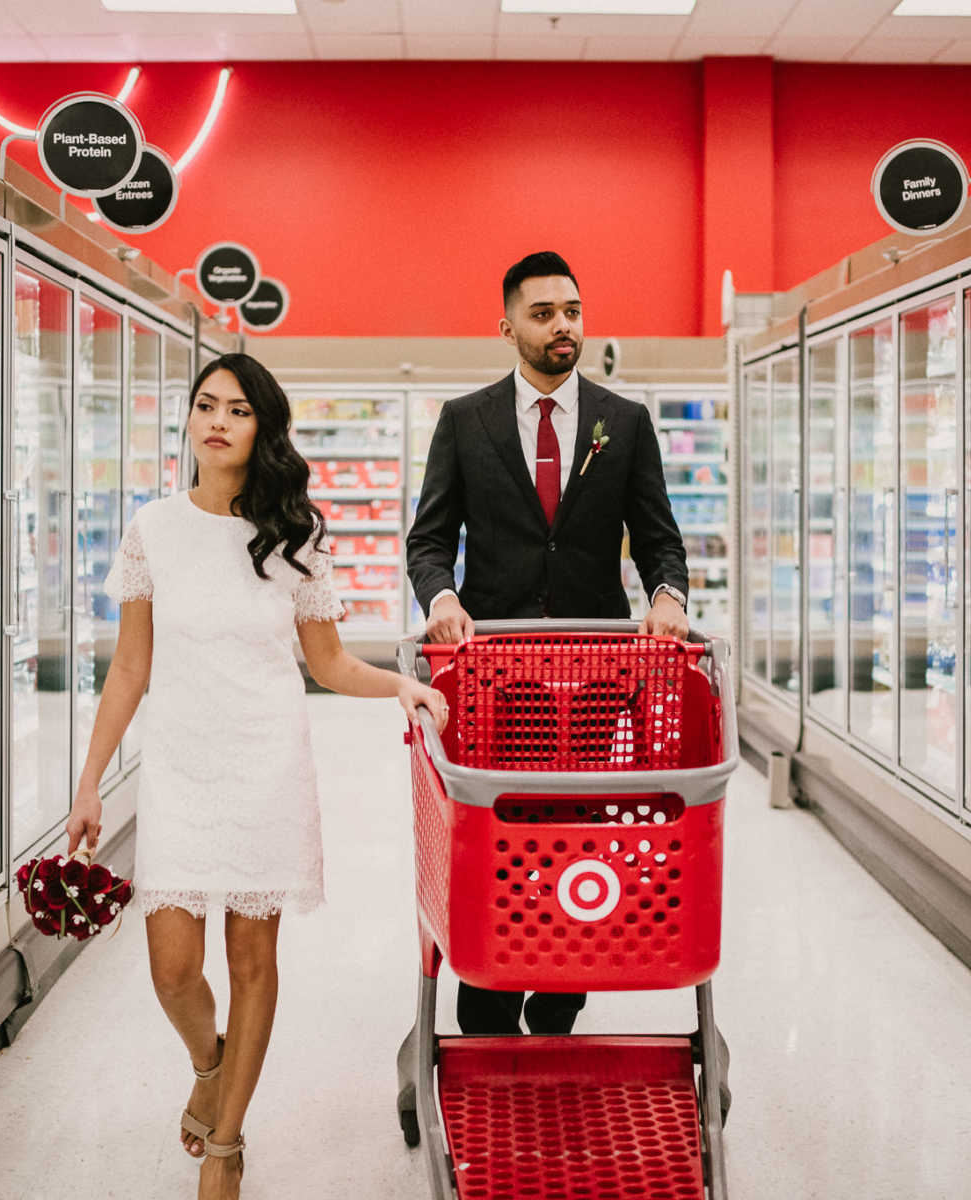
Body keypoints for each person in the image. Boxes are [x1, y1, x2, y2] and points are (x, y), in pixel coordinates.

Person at [66, 353, 448, 1200]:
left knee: (252, 960)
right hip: (179, 766)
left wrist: (403, 685)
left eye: (237, 410)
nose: (217, 420)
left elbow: (331, 663)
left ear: (261, 430)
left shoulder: (295, 540)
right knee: (171, 968)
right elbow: (129, 668)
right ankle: (210, 1062)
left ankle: (229, 1145)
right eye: (206, 405)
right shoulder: (152, 529)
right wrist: (91, 780)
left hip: (265, 761)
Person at [406, 250, 690, 1036]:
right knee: (499, 836)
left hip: (598, 679)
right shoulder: (465, 422)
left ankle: (562, 995)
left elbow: (661, 541)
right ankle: (491, 1004)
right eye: (543, 314)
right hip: (496, 682)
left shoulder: (623, 422)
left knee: (580, 835)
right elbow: (428, 542)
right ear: (507, 328)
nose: (563, 326)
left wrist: (667, 597)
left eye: (571, 310)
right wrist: (443, 599)